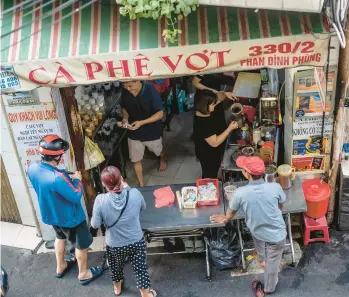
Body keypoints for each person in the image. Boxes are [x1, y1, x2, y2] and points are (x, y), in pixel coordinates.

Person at [27, 135, 102, 285]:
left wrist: (61, 173)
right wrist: (77, 180)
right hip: (70, 218)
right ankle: (84, 274)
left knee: (60, 237)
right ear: (58, 157)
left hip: (51, 214)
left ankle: (60, 266)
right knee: (81, 245)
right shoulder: (57, 178)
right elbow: (75, 195)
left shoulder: (32, 167)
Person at [210, 156, 287, 297]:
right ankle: (266, 267)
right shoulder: (275, 186)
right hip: (277, 234)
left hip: (257, 231)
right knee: (272, 260)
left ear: (246, 173)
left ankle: (267, 289)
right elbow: (281, 203)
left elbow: (232, 211)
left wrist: (226, 219)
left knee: (268, 261)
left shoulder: (240, 193)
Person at [91, 166, 157, 297]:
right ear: (121, 179)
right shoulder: (134, 193)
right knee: (140, 269)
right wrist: (128, 189)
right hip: (136, 241)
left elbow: (95, 224)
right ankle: (146, 294)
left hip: (114, 244)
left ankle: (117, 289)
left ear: (104, 184)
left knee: (115, 267)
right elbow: (143, 207)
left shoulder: (100, 200)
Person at [121, 80, 167, 187]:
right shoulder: (125, 91)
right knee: (135, 158)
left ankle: (162, 158)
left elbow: (160, 114)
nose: (127, 88)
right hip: (133, 130)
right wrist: (125, 118)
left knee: (157, 150)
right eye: (125, 86)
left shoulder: (150, 90)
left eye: (130, 85)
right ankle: (141, 184)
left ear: (137, 81)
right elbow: (124, 108)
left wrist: (142, 122)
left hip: (151, 129)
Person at [193, 90, 239, 178]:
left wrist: (225, 94)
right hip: (208, 155)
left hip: (212, 152)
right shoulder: (203, 123)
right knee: (209, 175)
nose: (215, 106)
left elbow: (218, 99)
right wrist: (230, 128)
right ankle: (208, 186)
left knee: (214, 169)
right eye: (213, 105)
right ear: (205, 105)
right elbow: (215, 142)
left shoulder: (202, 111)